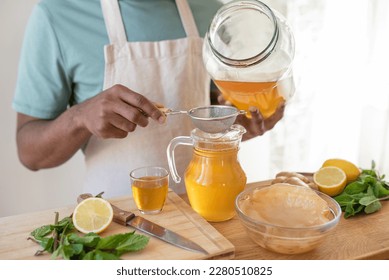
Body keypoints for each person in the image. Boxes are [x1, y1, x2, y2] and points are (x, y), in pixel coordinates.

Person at [13, 0, 284, 198]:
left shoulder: (211, 13)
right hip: (115, 222)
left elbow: (213, 109)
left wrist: (240, 124)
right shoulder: (57, 14)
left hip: (204, 210)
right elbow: (29, 153)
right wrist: (79, 118)